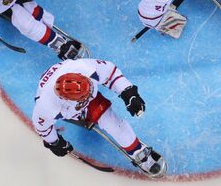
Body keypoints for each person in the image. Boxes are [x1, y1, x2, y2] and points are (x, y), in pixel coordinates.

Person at [32, 58, 167, 178]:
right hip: (67, 107)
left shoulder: (84, 67)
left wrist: (128, 93)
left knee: (113, 124)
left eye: (89, 86)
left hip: (72, 96)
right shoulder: (46, 107)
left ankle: (138, 152)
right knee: (101, 117)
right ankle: (81, 112)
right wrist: (54, 142)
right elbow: (42, 127)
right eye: (86, 96)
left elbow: (110, 72)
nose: (91, 91)